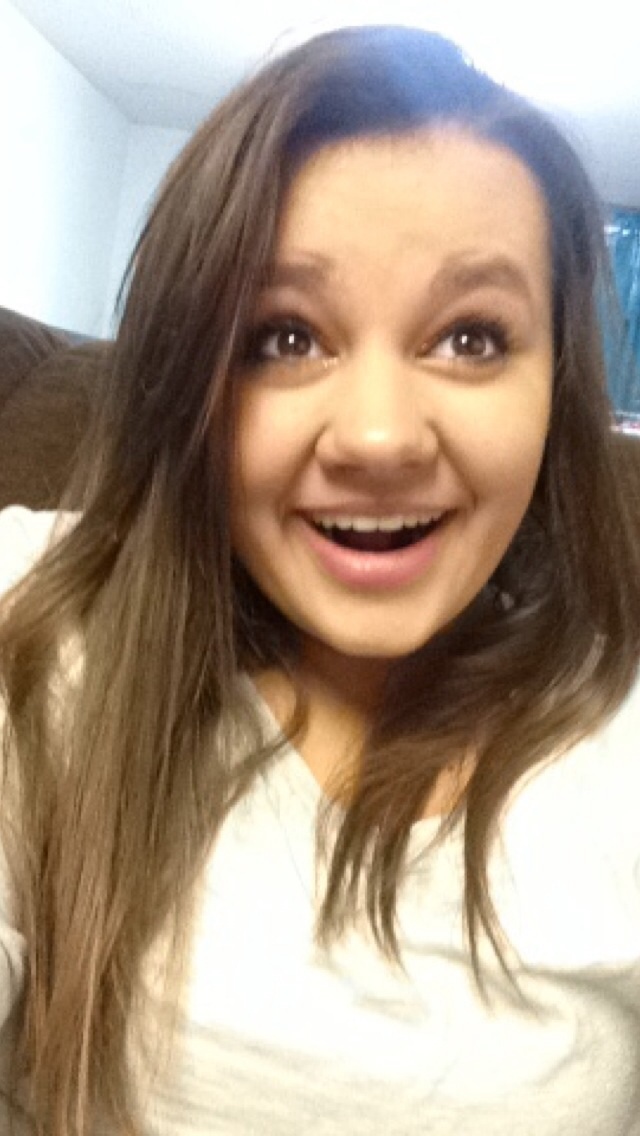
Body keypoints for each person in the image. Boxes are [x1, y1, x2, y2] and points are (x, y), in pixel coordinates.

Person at [1, 23, 640, 1136]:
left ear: (555, 392)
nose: (380, 437)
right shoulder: (41, 610)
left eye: (471, 338)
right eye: (285, 337)